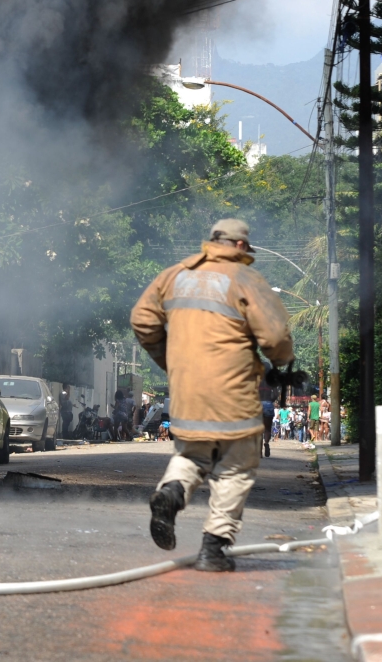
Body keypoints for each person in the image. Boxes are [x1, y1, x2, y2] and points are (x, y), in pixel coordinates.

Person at [131, 218, 293, 572]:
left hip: (186, 391)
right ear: (239, 246)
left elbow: (142, 320)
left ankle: (171, 493)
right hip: (233, 390)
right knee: (236, 467)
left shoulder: (173, 275)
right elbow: (276, 336)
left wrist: (168, 361)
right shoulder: (245, 279)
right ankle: (213, 550)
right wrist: (283, 363)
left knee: (193, 454)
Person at [260, 391, 275, 458]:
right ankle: (266, 443)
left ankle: (259, 452)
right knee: (268, 428)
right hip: (268, 404)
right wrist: (271, 400)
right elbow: (275, 394)